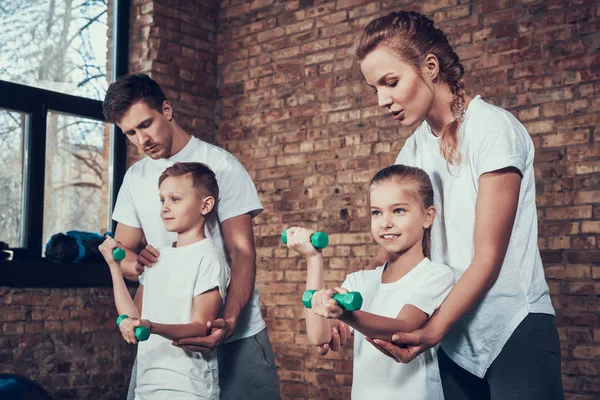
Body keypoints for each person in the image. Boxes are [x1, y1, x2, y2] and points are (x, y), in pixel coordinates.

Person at [353, 10, 564, 400]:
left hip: (511, 326)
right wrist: (349, 308)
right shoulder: (413, 148)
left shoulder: (493, 130)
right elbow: (400, 244)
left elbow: (487, 256)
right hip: (451, 335)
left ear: (429, 67)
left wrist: (432, 331)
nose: (382, 100)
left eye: (391, 82)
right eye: (374, 89)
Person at [102, 74, 282, 400]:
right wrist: (133, 260)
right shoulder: (135, 178)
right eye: (130, 133)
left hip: (233, 330)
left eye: (146, 124)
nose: (142, 139)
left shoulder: (221, 166)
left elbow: (242, 253)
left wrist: (227, 321)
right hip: (164, 335)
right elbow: (123, 251)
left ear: (166, 110)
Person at [286, 165, 454, 400]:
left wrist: (344, 314)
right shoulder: (359, 280)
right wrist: (314, 259)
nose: (385, 222)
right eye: (377, 212)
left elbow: (403, 327)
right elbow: (319, 336)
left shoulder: (436, 275)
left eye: (398, 210)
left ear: (428, 216)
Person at [98, 162, 230, 399]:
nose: (165, 208)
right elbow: (134, 316)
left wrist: (153, 327)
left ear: (205, 205)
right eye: (162, 200)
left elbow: (201, 327)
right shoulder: (156, 256)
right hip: (147, 386)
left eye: (175, 199)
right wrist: (114, 268)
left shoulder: (209, 258)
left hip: (189, 389)